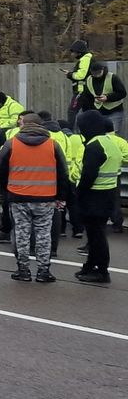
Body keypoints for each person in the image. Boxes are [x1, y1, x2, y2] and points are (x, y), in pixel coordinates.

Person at [0, 112, 70, 283]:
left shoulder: (11, 143)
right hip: (45, 197)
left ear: (24, 125)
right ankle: (43, 271)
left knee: (21, 233)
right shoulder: (53, 144)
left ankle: (23, 270)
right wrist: (60, 196)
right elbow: (63, 173)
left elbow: (0, 169)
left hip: (18, 196)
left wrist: (8, 188)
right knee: (44, 234)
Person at [75, 110, 119, 284]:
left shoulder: (94, 146)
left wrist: (79, 193)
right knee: (96, 235)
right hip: (107, 194)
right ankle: (91, 266)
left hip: (94, 196)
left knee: (96, 237)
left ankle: (101, 271)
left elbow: (88, 175)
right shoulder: (108, 142)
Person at [81, 62, 126, 136]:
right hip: (97, 112)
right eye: (94, 73)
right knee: (98, 135)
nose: (97, 75)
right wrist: (87, 113)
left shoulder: (113, 77)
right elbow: (86, 97)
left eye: (99, 73)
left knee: (113, 135)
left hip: (114, 111)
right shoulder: (89, 80)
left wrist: (107, 97)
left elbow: (122, 93)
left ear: (103, 70)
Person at [63, 39, 94, 126]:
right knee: (88, 113)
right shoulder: (87, 59)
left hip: (81, 91)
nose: (72, 54)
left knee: (72, 111)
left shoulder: (85, 59)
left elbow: (81, 75)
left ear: (79, 52)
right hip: (86, 91)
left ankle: (69, 132)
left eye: (73, 52)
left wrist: (70, 74)